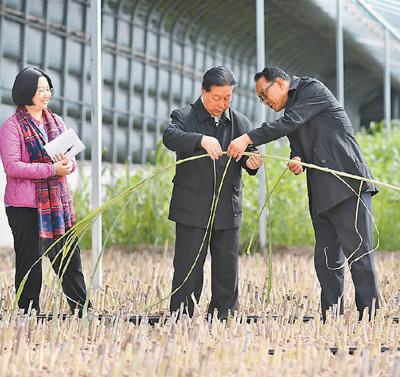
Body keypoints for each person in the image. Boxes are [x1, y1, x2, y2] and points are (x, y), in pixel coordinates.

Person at [227, 66, 379, 321]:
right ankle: (331, 317)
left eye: (265, 95)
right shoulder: (293, 109)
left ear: (280, 83)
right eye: (261, 100)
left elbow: (289, 123)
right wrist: (296, 158)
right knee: (326, 260)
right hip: (322, 193)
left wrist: (247, 138)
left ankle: (370, 317)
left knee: (359, 256)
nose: (265, 102)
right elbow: (297, 144)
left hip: (346, 186)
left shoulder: (312, 89)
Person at [163, 66, 262, 319]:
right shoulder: (184, 116)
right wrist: (200, 140)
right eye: (216, 98)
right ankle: (182, 316)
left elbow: (250, 155)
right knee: (188, 267)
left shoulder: (240, 122)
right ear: (203, 92)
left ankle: (224, 315)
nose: (222, 104)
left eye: (227, 98)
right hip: (192, 207)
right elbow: (170, 137)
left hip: (227, 206)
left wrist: (252, 162)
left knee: (227, 267)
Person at [0, 67, 90, 315]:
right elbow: (13, 166)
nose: (46, 94)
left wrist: (67, 165)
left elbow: (70, 161)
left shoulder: (56, 121)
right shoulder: (11, 126)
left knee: (70, 259)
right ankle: (27, 314)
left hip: (57, 204)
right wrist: (52, 170)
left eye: (48, 88)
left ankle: (83, 311)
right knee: (30, 263)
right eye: (40, 89)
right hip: (25, 207)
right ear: (25, 91)